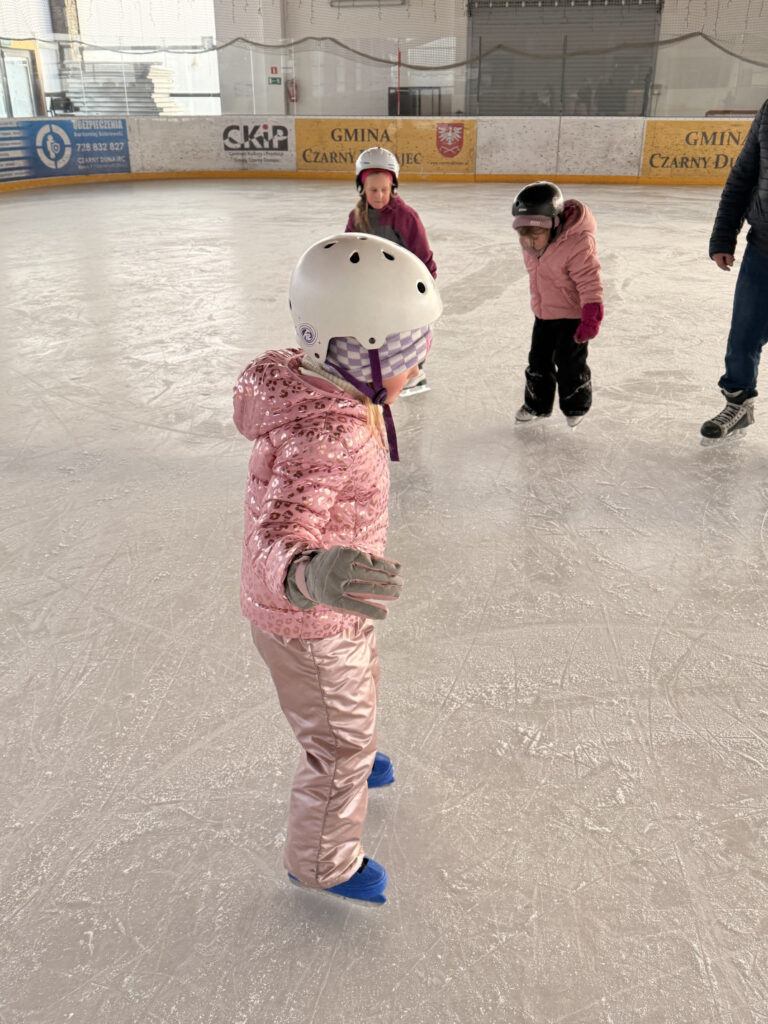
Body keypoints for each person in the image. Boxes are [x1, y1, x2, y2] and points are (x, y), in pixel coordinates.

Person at [233, 233, 442, 905]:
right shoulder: (327, 433)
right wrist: (308, 573)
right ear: (363, 354)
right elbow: (276, 534)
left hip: (335, 599)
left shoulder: (334, 395)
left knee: (361, 678)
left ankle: (355, 742)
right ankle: (321, 863)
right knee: (336, 747)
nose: (417, 368)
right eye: (408, 356)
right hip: (308, 613)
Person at [511, 181, 604, 429]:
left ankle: (575, 406)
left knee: (570, 364)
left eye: (535, 236)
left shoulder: (578, 243)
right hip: (543, 314)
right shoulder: (531, 242)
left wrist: (591, 315)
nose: (529, 243)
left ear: (553, 225)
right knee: (537, 362)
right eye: (523, 236)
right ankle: (536, 405)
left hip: (572, 317)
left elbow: (589, 280)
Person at [701, 100, 768, 439]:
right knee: (743, 336)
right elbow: (742, 178)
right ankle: (738, 404)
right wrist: (723, 236)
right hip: (763, 249)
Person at [346, 146, 437, 395]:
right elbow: (348, 252)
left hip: (401, 286)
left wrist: (426, 288)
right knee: (376, 330)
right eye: (373, 190)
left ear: (393, 187)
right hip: (371, 287)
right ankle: (382, 372)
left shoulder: (405, 217)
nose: (379, 195)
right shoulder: (356, 217)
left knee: (404, 330)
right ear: (362, 188)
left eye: (384, 190)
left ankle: (415, 374)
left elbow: (423, 256)